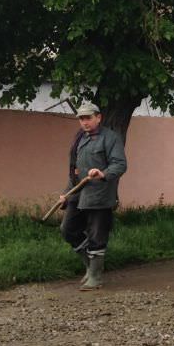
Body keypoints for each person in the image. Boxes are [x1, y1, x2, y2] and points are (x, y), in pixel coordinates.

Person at [60, 102, 127, 291]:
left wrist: (103, 173)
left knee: (97, 235)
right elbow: (75, 171)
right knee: (68, 229)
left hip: (100, 194)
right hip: (78, 193)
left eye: (88, 118)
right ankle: (90, 267)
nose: (84, 122)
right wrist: (66, 193)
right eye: (81, 118)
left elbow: (120, 165)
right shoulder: (79, 139)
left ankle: (96, 277)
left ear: (98, 117)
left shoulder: (111, 138)